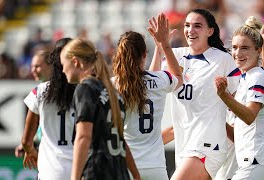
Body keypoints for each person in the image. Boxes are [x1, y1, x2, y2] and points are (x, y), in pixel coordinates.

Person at [150, 9, 240, 179]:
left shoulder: (222, 59)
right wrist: (159, 47)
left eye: (197, 26)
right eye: (187, 25)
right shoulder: (175, 55)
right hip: (184, 145)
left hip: (208, 145)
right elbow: (151, 84)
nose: (191, 30)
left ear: (210, 31)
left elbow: (241, 101)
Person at [215, 16, 264, 180]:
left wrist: (224, 96)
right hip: (256, 161)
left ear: (257, 49)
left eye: (244, 48)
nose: (237, 53)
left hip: (257, 162)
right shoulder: (247, 76)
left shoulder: (256, 76)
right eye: (235, 47)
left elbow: (250, 116)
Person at [112, 13, 183, 180]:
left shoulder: (112, 85)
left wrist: (160, 48)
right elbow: (178, 78)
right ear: (144, 54)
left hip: (125, 166)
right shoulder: (160, 81)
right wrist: (164, 45)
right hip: (155, 167)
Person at [59, 38, 140, 180]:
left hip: (97, 172)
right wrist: (136, 175)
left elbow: (84, 137)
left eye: (63, 64)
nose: (63, 70)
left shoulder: (86, 88)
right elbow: (121, 141)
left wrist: (75, 177)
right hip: (120, 173)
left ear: (75, 62)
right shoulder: (113, 93)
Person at [20, 37, 77, 180]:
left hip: (49, 172)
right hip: (79, 170)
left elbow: (26, 141)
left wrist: (31, 151)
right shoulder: (85, 92)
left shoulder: (39, 91)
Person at [15, 49, 52, 158]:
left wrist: (28, 144)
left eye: (37, 66)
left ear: (50, 66)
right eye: (32, 66)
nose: (33, 70)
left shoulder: (42, 91)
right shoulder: (42, 89)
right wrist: (33, 142)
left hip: (52, 153)